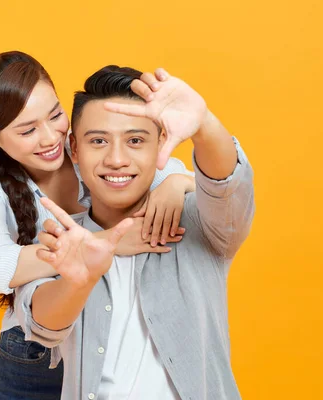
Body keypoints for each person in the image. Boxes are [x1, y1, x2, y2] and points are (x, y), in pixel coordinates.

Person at [0, 52, 195, 399]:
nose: (49, 137)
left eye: (55, 115)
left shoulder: (88, 148)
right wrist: (104, 243)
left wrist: (176, 183)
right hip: (35, 354)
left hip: (109, 342)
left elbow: (172, 168)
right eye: (27, 130)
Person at [15, 65, 255, 400]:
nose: (116, 159)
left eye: (135, 140)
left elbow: (228, 188)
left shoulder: (197, 222)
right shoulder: (63, 237)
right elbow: (43, 327)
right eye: (98, 140)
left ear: (160, 144)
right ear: (74, 149)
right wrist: (78, 281)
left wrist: (204, 126)